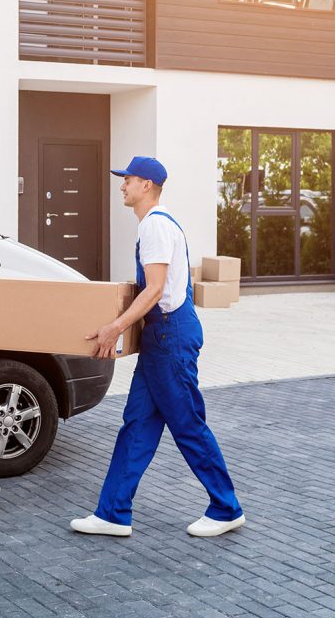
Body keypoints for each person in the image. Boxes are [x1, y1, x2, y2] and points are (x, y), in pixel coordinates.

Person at [70, 156, 245, 539]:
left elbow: (154, 290)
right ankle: (113, 512)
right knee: (137, 424)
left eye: (127, 180)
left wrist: (114, 327)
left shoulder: (154, 227)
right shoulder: (156, 225)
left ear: (146, 185)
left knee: (187, 424)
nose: (122, 186)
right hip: (162, 337)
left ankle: (226, 506)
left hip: (170, 336)